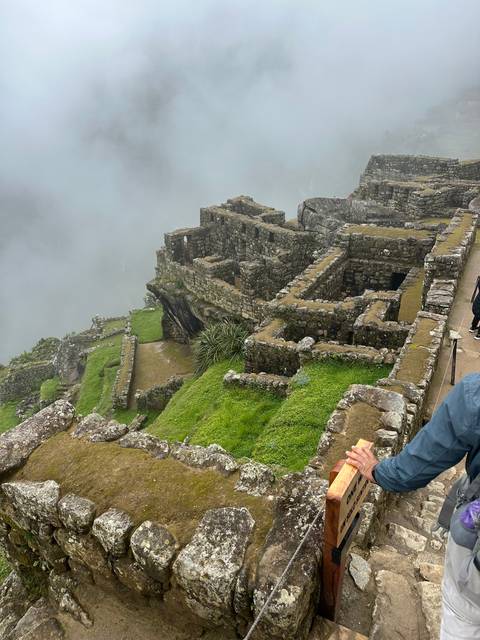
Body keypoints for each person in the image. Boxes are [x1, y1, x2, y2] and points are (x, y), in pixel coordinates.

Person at [346, 372, 480, 640]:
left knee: (462, 618)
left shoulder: (474, 393)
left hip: (474, 555)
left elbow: (413, 470)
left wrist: (376, 470)